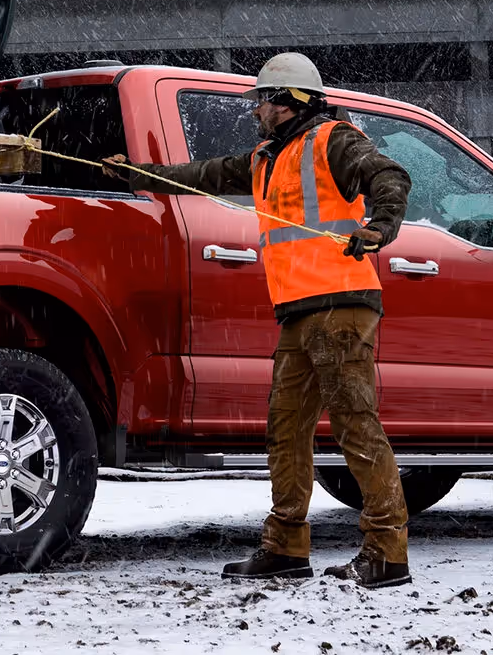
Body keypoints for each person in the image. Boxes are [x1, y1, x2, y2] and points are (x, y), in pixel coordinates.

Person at [106, 52, 415, 588]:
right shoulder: (264, 159)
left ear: (290, 101)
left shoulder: (333, 140)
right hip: (298, 312)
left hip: (342, 304)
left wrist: (380, 225)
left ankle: (387, 553)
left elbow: (389, 174)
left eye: (264, 101)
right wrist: (138, 174)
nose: (256, 111)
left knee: (354, 425)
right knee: (286, 431)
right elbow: (198, 174)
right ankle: (286, 547)